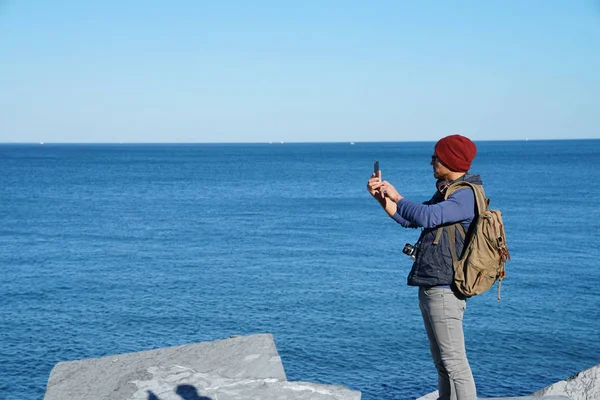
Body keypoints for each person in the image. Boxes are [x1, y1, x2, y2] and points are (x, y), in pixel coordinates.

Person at [367, 134, 480, 400]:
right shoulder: (448, 192)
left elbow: (427, 216)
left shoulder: (465, 196)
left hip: (445, 290)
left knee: (455, 364)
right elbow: (410, 220)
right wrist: (382, 198)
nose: (431, 162)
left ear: (450, 160)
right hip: (431, 286)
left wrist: (398, 194)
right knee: (442, 363)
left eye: (436, 157)